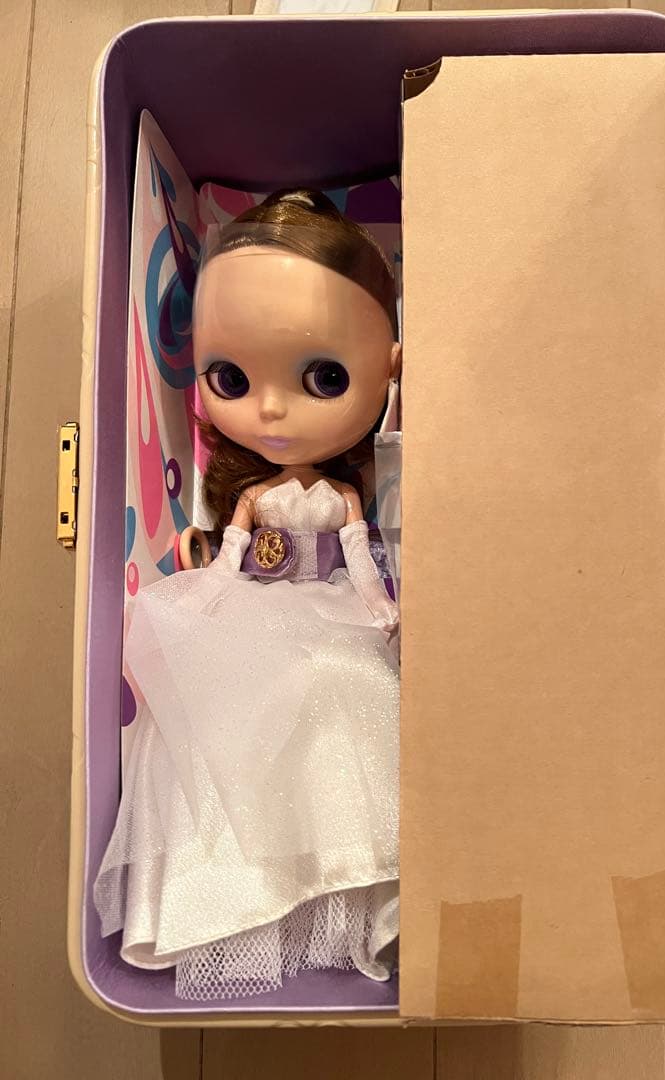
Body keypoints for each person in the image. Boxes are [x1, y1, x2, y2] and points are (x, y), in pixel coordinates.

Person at [94, 189, 401, 1000]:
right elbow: (231, 550)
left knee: (342, 688)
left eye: (324, 378)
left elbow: (358, 558)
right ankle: (227, 888)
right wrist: (210, 596)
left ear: (392, 367)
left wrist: (378, 605)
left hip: (327, 603)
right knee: (220, 709)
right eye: (229, 377)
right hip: (256, 602)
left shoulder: (344, 497)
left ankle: (332, 875)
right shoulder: (255, 496)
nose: (268, 408)